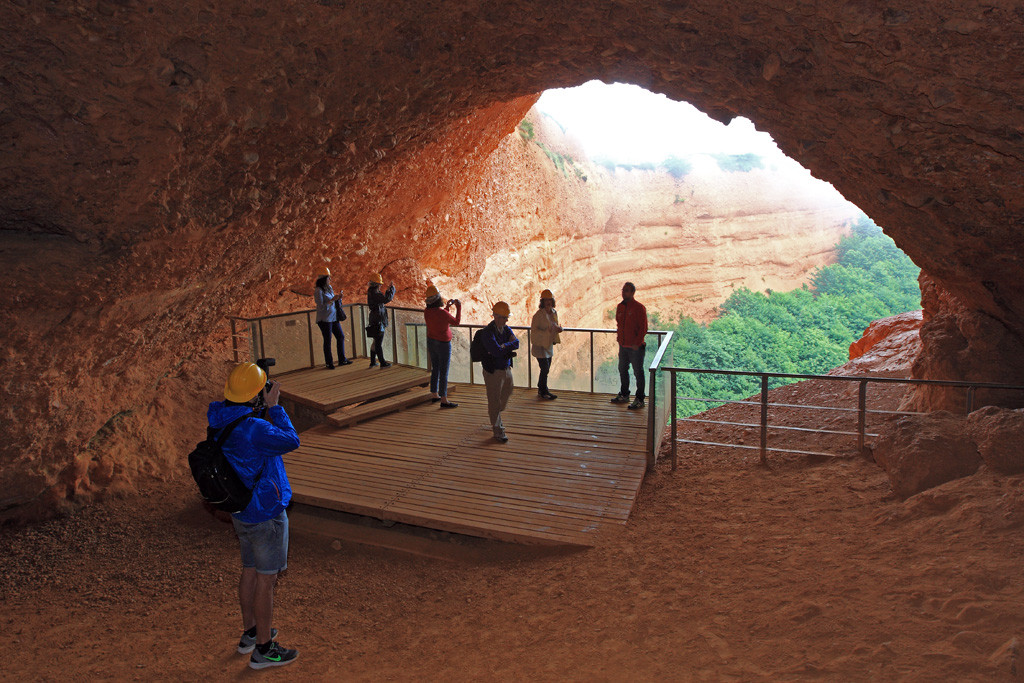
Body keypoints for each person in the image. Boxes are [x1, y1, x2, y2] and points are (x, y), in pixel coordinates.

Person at [207, 362, 301, 670]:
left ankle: (250, 632)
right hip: (264, 512)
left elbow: (247, 432)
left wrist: (258, 407)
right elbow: (290, 439)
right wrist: (275, 408)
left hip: (240, 510)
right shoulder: (256, 428)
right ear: (256, 394)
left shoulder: (221, 418)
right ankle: (264, 648)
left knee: (249, 569)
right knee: (266, 579)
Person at [481, 301, 519, 442]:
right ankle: (498, 430)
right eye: (504, 317)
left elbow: (517, 343)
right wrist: (507, 346)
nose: (506, 320)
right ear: (496, 316)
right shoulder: (487, 332)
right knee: (494, 400)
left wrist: (504, 345)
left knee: (507, 392)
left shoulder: (506, 329)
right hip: (493, 371)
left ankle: (495, 413)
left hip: (505, 368)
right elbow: (496, 351)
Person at [611, 281, 648, 410]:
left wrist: (636, 344)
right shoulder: (620, 307)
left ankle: (640, 399)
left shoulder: (639, 308)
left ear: (632, 293)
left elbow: (643, 328)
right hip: (623, 346)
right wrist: (620, 339)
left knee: (638, 372)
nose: (623, 292)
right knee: (622, 370)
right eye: (623, 290)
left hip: (635, 347)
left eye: (626, 290)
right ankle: (625, 394)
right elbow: (619, 324)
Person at [423, 285, 461, 408]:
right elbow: (456, 322)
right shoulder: (442, 313)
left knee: (436, 368)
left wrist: (447, 308)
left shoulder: (427, 311)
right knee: (444, 371)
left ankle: (434, 394)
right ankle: (444, 399)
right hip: (443, 344)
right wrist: (458, 308)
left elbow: (439, 317)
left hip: (431, 341)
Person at [313, 266, 351, 369]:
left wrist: (338, 298)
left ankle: (342, 359)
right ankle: (329, 362)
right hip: (324, 319)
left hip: (333, 317)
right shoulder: (318, 290)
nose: (330, 279)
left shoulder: (329, 288)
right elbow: (320, 306)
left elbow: (333, 301)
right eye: (328, 277)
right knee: (328, 340)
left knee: (340, 336)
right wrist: (332, 300)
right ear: (323, 278)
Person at [530, 288, 563, 400]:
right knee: (545, 368)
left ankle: (542, 390)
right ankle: (543, 390)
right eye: (546, 300)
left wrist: (558, 329)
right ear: (542, 302)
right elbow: (534, 332)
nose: (548, 302)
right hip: (540, 346)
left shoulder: (554, 312)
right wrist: (547, 331)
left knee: (546, 369)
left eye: (550, 300)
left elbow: (554, 325)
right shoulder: (538, 315)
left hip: (548, 345)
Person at [366, 273, 395, 368]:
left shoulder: (372, 291)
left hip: (375, 319)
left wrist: (387, 291)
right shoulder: (374, 292)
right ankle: (382, 363)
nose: (381, 285)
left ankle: (373, 362)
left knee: (375, 341)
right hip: (378, 320)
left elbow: (382, 299)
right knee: (378, 341)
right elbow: (386, 299)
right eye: (380, 283)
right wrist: (392, 289)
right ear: (376, 284)